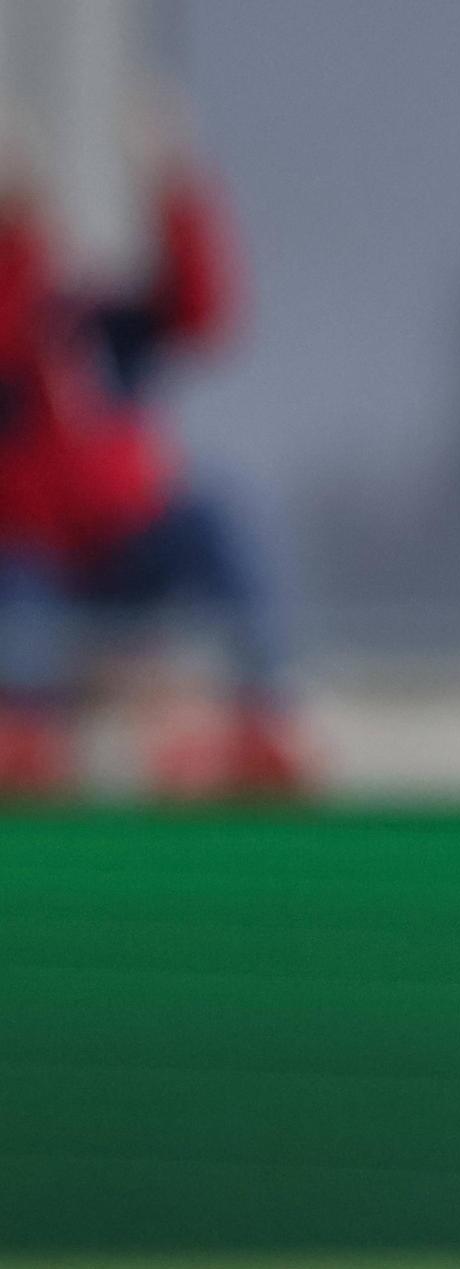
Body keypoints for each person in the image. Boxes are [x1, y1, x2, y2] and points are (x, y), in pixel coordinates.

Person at [0, 151, 305, 797]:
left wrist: (175, 185)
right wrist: (17, 231)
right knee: (18, 580)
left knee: (217, 514)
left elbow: (200, 309)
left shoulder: (100, 322)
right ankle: (23, 735)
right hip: (37, 563)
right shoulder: (16, 323)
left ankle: (263, 715)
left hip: (131, 550)